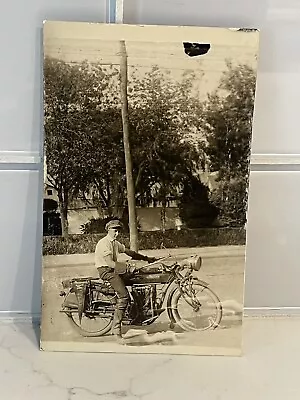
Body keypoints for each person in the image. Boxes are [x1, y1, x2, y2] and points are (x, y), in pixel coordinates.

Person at [95, 219, 157, 340]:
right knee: (124, 296)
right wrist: (127, 267)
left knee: (138, 278)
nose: (117, 233)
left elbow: (130, 253)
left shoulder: (115, 243)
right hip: (106, 271)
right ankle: (116, 329)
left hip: (113, 269)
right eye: (114, 231)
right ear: (108, 230)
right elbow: (110, 263)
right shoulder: (104, 243)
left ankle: (137, 309)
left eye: (118, 231)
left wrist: (146, 258)